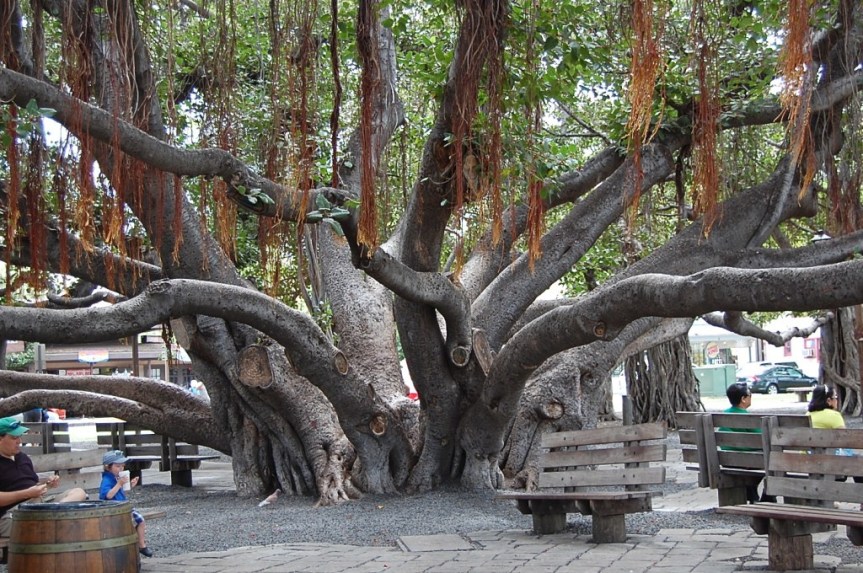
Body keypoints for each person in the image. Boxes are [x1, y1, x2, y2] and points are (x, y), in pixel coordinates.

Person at [0, 417, 87, 539]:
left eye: (20, 436)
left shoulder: (22, 457)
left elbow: (29, 484)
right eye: (14, 438)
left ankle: (53, 512)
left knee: (79, 492)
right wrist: (27, 494)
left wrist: (47, 484)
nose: (19, 441)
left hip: (39, 503)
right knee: (52, 528)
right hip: (11, 514)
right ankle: (50, 516)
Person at [718, 383, 775, 503]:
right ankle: (768, 496)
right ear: (743, 399)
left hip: (727, 460)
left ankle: (753, 496)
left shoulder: (723, 415)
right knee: (774, 461)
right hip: (747, 462)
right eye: (750, 395)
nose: (750, 397)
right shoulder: (747, 419)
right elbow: (762, 440)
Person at [99, 450, 153, 557]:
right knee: (138, 521)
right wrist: (119, 484)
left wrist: (130, 484)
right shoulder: (107, 479)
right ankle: (141, 545)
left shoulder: (116, 477)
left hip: (122, 506)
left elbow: (121, 491)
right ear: (108, 467)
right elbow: (108, 495)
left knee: (140, 521)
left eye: (122, 466)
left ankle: (141, 544)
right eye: (117, 466)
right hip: (113, 508)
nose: (121, 469)